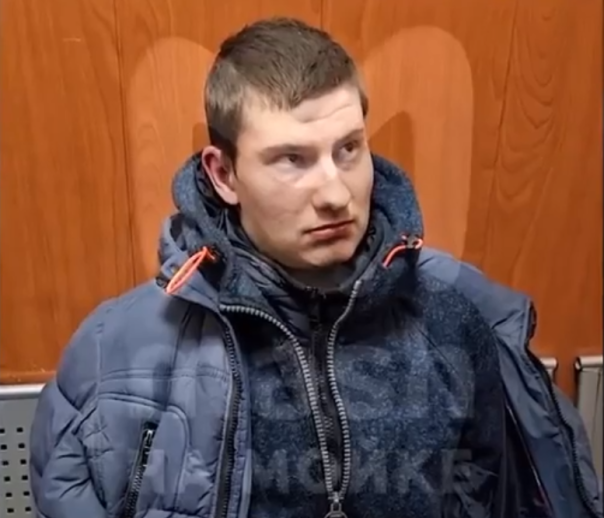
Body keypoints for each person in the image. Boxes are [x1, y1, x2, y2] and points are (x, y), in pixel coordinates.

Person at [29, 17, 510, 518]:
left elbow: (485, 494)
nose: (335, 194)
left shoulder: (451, 319)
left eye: (348, 149)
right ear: (224, 175)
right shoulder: (116, 349)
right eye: (291, 160)